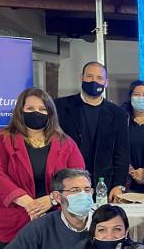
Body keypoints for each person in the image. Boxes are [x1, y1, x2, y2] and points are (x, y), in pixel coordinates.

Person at [0, 87, 84, 249]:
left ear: (50, 113)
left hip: (53, 217)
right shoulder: (1, 139)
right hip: (12, 218)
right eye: (30, 108)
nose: (36, 113)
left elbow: (78, 177)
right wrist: (27, 202)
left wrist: (52, 198)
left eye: (42, 109)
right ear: (20, 111)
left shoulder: (65, 142)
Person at [55, 61, 129, 200]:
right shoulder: (59, 107)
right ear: (81, 78)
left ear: (106, 82)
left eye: (99, 78)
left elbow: (122, 153)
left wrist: (119, 185)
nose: (94, 81)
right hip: (67, 185)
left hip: (103, 186)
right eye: (89, 76)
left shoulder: (118, 114)